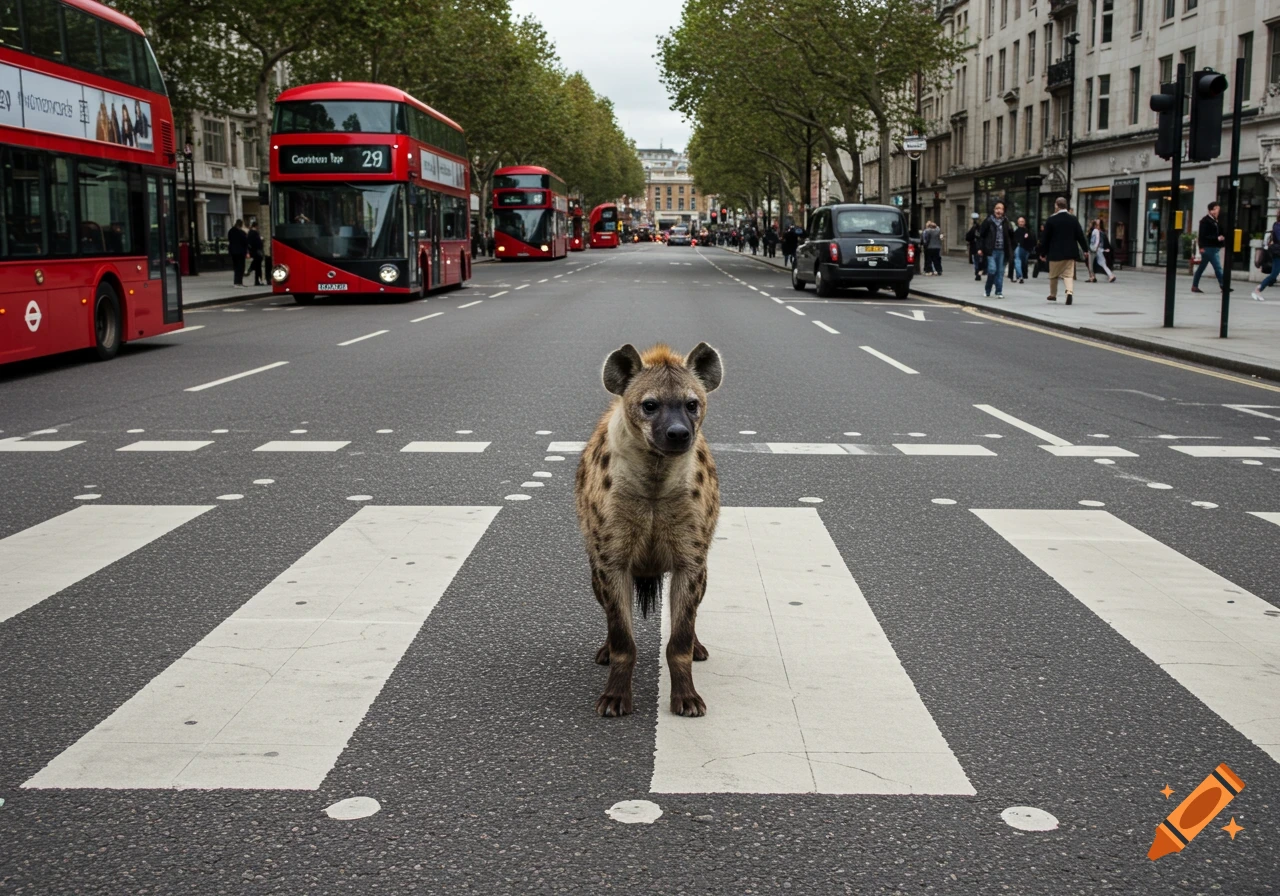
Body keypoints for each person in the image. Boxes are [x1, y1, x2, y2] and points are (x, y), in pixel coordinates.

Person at [1038, 196, 1089, 304]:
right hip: (1070, 253)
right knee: (1068, 275)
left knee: (1053, 275)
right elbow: (1080, 235)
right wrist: (1085, 249)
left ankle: (1053, 294)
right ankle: (1069, 292)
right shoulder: (1073, 219)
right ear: (1066, 206)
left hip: (1055, 253)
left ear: (1056, 205)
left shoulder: (1051, 219)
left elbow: (1045, 238)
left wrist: (1043, 253)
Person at [976, 201, 1015, 299]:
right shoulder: (988, 221)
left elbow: (1011, 236)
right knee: (992, 270)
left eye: (1001, 209)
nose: (999, 210)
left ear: (1003, 211)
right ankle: (987, 289)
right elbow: (981, 235)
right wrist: (980, 248)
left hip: (1002, 250)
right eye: (997, 208)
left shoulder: (1006, 221)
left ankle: (999, 291)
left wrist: (1011, 249)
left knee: (1000, 272)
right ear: (994, 210)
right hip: (991, 250)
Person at [1191, 201, 1226, 294]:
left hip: (1213, 247)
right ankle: (1223, 285)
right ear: (1210, 210)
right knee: (1218, 267)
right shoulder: (1205, 221)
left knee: (1201, 267)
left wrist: (1221, 237)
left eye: (1218, 209)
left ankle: (1194, 286)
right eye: (1215, 209)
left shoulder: (1216, 221)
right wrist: (1216, 238)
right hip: (1209, 248)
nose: (1217, 211)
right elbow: (1202, 236)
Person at [1251, 208, 1280, 301]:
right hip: (1278, 253)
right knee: (1273, 275)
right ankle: (1258, 290)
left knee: (1274, 275)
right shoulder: (1277, 225)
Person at [1012, 216, 1034, 283]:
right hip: (1018, 247)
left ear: (1024, 222)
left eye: (1022, 222)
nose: (1021, 223)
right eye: (1020, 222)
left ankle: (1022, 275)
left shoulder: (1028, 231)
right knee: (1017, 260)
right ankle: (1020, 275)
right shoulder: (1016, 231)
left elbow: (1032, 240)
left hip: (1026, 248)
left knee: (1023, 262)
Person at [227, 218, 248, 287]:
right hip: (240, 252)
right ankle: (239, 282)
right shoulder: (241, 232)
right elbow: (245, 241)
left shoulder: (230, 231)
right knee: (241, 267)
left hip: (233, 251)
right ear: (241, 225)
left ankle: (236, 282)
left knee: (236, 267)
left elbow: (229, 239)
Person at [964, 212, 982, 280]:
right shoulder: (981, 228)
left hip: (975, 247)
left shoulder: (973, 228)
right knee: (979, 260)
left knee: (976, 261)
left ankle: (977, 272)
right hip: (980, 246)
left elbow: (968, 237)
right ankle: (979, 271)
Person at [246, 221, 264, 286]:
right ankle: (258, 280)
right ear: (256, 226)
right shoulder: (254, 233)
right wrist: (261, 240)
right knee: (258, 266)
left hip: (253, 251)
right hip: (256, 251)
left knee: (257, 266)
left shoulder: (250, 232)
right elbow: (258, 242)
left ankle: (257, 280)